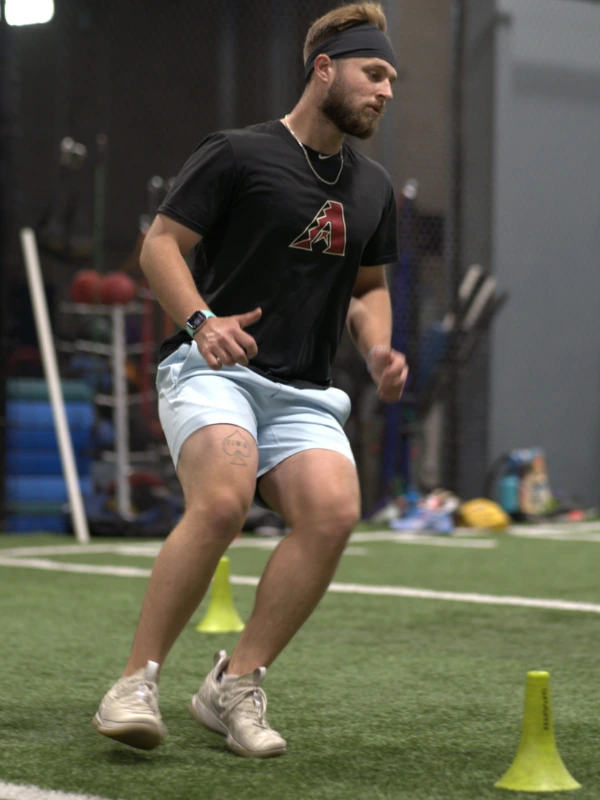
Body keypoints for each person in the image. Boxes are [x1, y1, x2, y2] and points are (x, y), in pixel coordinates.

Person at [93, 1, 408, 759]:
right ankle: (135, 681)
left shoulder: (373, 189)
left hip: (300, 388)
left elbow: (369, 287)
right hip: (213, 367)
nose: (387, 91)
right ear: (323, 69)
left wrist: (377, 349)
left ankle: (233, 682)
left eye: (393, 78)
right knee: (226, 499)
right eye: (375, 73)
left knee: (333, 513)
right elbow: (161, 246)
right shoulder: (237, 153)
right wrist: (204, 322)